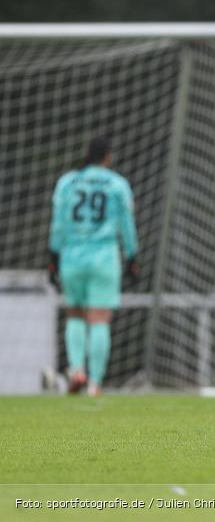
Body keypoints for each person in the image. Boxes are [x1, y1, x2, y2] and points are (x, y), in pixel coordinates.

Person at [48, 138, 139, 396]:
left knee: (75, 314)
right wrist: (132, 256)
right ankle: (95, 383)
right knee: (100, 319)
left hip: (72, 255)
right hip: (104, 256)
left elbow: (58, 223)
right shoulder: (117, 184)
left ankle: (77, 370)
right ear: (107, 157)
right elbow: (126, 223)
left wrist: (53, 255)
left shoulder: (67, 182)